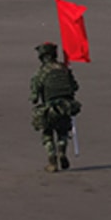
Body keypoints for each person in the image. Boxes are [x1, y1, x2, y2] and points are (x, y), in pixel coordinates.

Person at [30, 42, 80, 171]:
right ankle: (62, 152)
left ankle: (52, 161)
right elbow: (74, 87)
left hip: (49, 108)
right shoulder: (64, 69)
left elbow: (34, 97)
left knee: (47, 133)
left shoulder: (41, 72)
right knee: (62, 132)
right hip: (66, 106)